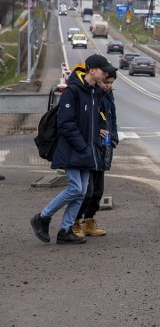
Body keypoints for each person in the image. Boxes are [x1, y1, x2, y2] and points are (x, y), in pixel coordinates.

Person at [30, 54, 117, 244]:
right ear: (92, 70)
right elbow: (66, 123)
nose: (105, 75)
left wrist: (101, 135)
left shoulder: (95, 92)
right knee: (76, 188)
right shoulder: (73, 91)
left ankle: (65, 230)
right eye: (103, 71)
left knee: (83, 190)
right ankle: (42, 217)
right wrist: (83, 146)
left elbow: (96, 121)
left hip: (88, 151)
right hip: (72, 150)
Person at [71, 69, 119, 238]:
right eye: (107, 83)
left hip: (104, 147)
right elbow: (87, 119)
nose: (109, 86)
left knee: (98, 190)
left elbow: (111, 118)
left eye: (111, 83)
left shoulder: (108, 96)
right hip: (92, 147)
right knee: (87, 190)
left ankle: (89, 220)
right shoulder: (91, 94)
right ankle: (74, 222)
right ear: (99, 79)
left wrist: (113, 137)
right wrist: (98, 131)